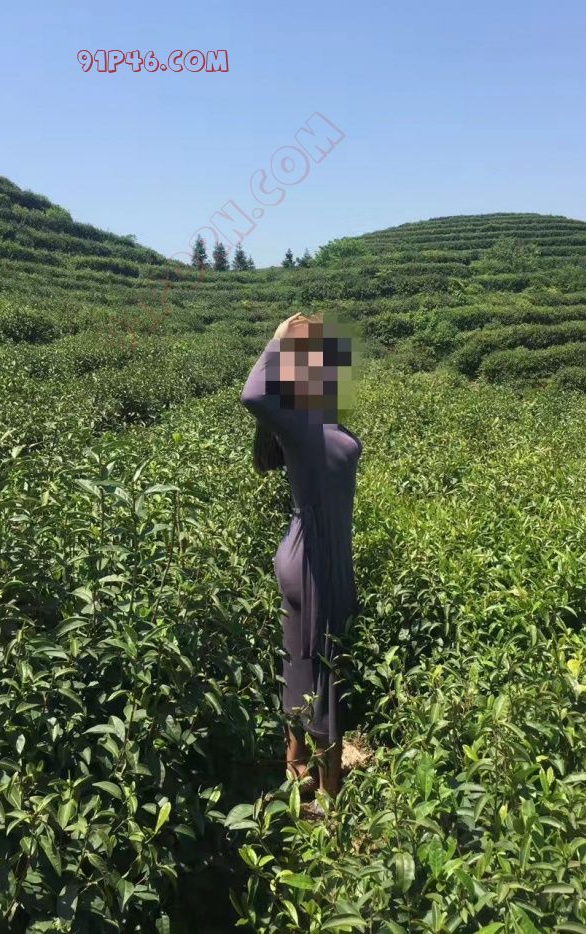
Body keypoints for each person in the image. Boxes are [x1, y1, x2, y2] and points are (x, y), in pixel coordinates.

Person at [239, 312, 363, 802]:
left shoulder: (316, 415)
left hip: (320, 550)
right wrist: (276, 340)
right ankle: (330, 792)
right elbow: (253, 394)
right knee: (324, 669)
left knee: (302, 663)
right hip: (313, 554)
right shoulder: (300, 421)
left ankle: (296, 767)